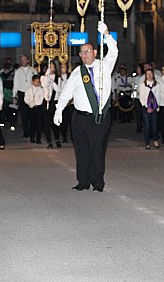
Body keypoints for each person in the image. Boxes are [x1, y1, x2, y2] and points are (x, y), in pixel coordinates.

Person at [54, 21, 118, 192]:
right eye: (82, 53)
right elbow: (66, 92)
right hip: (79, 117)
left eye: (88, 51)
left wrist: (106, 34)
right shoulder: (77, 72)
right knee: (81, 150)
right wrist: (59, 109)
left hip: (98, 117)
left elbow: (114, 51)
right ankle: (83, 181)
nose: (85, 55)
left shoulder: (104, 66)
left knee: (97, 150)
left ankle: (98, 182)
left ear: (95, 52)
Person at [13, 55, 37, 139]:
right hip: (21, 93)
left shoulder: (33, 70)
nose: (23, 61)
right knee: (24, 114)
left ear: (28, 61)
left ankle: (33, 131)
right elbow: (15, 84)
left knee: (32, 113)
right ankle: (26, 131)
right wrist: (14, 95)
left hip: (31, 93)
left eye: (24, 60)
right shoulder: (18, 71)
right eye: (21, 60)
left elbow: (36, 81)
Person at [138, 68, 160, 150]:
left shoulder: (157, 85)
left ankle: (155, 139)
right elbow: (142, 97)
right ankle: (147, 143)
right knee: (147, 126)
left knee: (154, 125)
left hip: (154, 107)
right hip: (146, 108)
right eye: (147, 74)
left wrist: (155, 107)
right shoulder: (143, 85)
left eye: (151, 74)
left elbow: (158, 96)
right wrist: (147, 106)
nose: (149, 76)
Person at [24, 74, 46, 145]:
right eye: (36, 82)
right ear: (33, 82)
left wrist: (37, 103)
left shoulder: (41, 89)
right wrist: (30, 103)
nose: (38, 83)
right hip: (31, 108)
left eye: (39, 82)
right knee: (32, 124)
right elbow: (26, 98)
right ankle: (32, 137)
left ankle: (38, 139)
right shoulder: (28, 90)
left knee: (39, 124)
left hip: (38, 108)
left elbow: (42, 98)